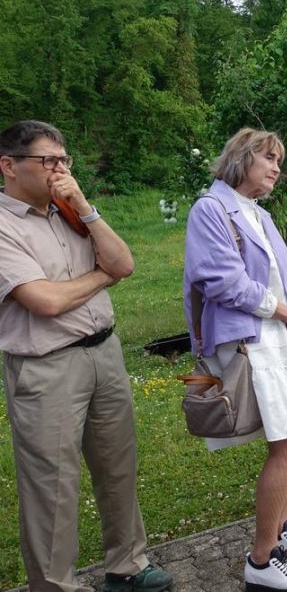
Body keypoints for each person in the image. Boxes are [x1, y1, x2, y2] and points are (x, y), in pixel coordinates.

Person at [0, 121, 172, 592]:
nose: (60, 170)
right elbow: (46, 301)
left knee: (118, 467)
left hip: (105, 354)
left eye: (64, 160)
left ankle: (129, 566)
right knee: (52, 488)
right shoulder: (3, 226)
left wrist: (83, 206)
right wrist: (102, 277)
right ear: (9, 167)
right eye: (49, 161)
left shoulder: (71, 211)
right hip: (46, 367)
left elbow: (125, 262)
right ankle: (56, 586)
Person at [184, 128, 287, 592]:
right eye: (268, 158)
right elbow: (222, 282)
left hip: (275, 337)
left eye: (278, 160)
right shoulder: (210, 209)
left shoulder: (256, 213)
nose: (276, 167)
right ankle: (262, 558)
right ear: (241, 158)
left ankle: (279, 531)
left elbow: (280, 274)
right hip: (248, 341)